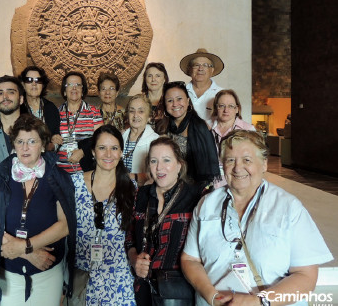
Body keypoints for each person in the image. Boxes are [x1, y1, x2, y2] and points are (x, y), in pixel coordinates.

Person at [181, 130, 333, 306]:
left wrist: (258, 302)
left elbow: (306, 277)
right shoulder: (206, 204)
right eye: (230, 160)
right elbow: (190, 259)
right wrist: (212, 296)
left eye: (247, 160)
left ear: (264, 165)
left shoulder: (288, 208)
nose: (238, 168)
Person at [0, 114, 76, 306]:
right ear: (13, 143)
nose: (24, 147)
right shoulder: (0, 178)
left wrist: (25, 245)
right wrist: (26, 252)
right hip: (8, 274)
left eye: (32, 141)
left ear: (43, 144)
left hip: (47, 274)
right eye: (19, 141)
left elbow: (65, 226)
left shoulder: (58, 177)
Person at [126, 136, 206, 305]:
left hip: (179, 292)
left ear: (179, 165)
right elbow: (130, 236)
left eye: (166, 160)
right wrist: (134, 259)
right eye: (154, 161)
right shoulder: (141, 194)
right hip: (144, 287)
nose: (159, 167)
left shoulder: (196, 196)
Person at [69, 125, 136, 306]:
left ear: (121, 152)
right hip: (82, 277)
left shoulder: (131, 188)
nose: (108, 154)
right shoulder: (74, 184)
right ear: (92, 151)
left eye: (114, 148)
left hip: (118, 280)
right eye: (102, 148)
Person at [155, 81, 220, 188]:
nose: (175, 104)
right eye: (170, 100)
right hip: (165, 184)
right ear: (165, 104)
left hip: (193, 187)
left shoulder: (200, 127)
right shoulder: (161, 127)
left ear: (188, 101)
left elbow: (207, 168)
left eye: (179, 99)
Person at [57, 71, 103, 174]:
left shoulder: (94, 112)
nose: (74, 88)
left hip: (86, 172)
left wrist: (83, 151)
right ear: (64, 91)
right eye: (70, 85)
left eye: (78, 85)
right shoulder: (56, 113)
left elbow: (100, 139)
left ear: (82, 90)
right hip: (60, 173)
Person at [211, 89, 255, 189]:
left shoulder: (248, 130)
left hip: (238, 179)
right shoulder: (207, 128)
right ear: (216, 108)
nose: (226, 110)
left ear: (237, 109)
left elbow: (254, 160)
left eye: (231, 106)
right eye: (221, 106)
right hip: (211, 180)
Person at [19, 66, 61, 149]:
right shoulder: (18, 108)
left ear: (43, 85)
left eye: (38, 80)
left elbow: (57, 138)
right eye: (29, 80)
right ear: (23, 84)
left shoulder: (51, 107)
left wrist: (52, 145)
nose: (34, 84)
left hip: (47, 157)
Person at [179, 48, 224, 126]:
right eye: (196, 65)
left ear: (212, 70)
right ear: (190, 69)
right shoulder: (180, 92)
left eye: (205, 65)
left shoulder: (222, 94)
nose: (200, 69)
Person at [122, 94, 159, 186]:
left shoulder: (156, 141)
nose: (135, 115)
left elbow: (157, 173)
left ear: (149, 116)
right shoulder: (121, 136)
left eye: (141, 111)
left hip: (142, 190)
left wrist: (129, 177)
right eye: (132, 111)